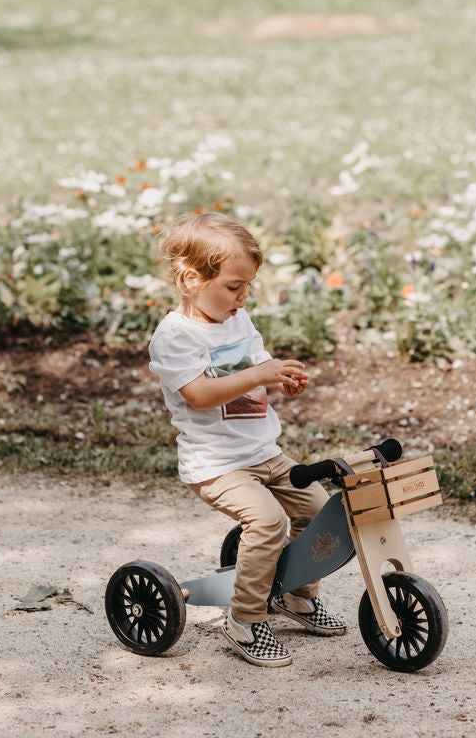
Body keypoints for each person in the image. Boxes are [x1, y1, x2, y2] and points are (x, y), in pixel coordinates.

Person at [148, 211, 347, 667]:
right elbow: (199, 394)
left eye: (248, 286)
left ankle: (295, 597)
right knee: (269, 522)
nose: (243, 297)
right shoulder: (175, 335)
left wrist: (280, 379)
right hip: (217, 463)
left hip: (264, 452)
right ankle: (244, 620)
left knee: (321, 513)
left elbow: (258, 370)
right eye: (234, 287)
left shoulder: (238, 320)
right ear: (191, 278)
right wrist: (257, 374)